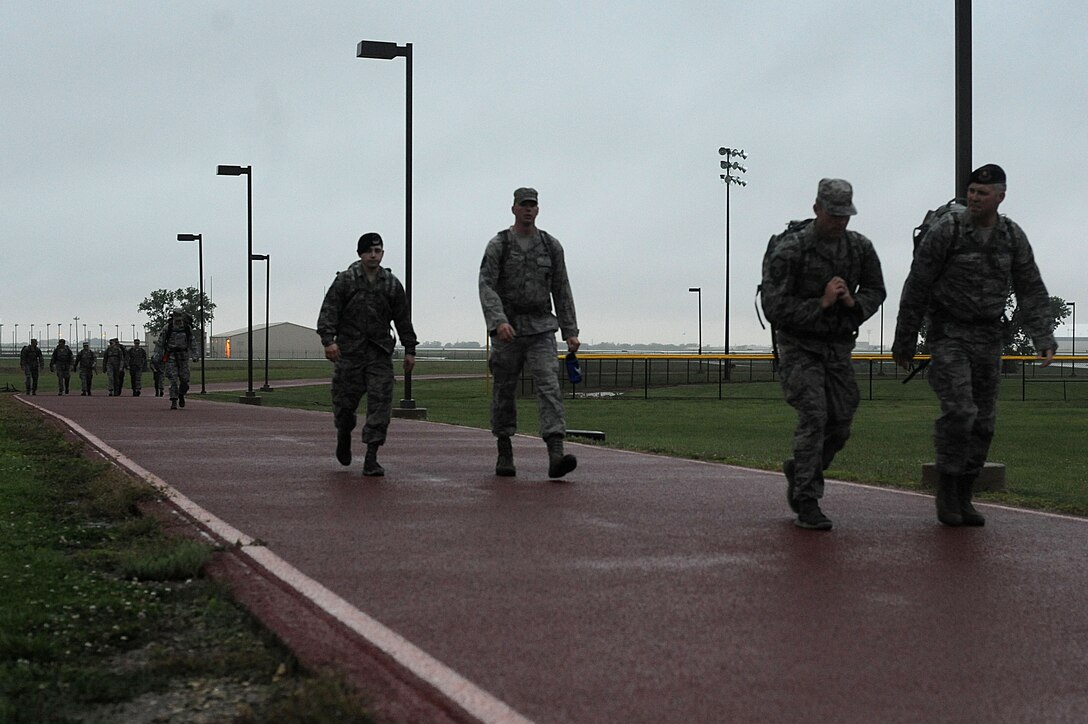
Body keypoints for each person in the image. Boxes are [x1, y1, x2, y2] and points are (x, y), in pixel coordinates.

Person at [893, 164, 1056, 527]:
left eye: (983, 193)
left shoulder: (1012, 236)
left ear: (1001, 195)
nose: (975, 198)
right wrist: (904, 340)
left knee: (984, 421)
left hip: (988, 337)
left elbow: (1030, 287)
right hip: (949, 334)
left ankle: (965, 492)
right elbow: (917, 285)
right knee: (961, 410)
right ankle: (947, 488)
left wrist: (1042, 336)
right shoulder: (946, 231)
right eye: (971, 192)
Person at [760, 178, 886, 530]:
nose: (839, 222)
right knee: (815, 415)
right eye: (833, 215)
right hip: (799, 347)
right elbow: (774, 307)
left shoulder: (859, 248)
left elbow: (877, 290)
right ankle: (807, 499)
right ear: (817, 209)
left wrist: (852, 302)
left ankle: (801, 469)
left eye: (845, 215)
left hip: (838, 348)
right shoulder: (791, 249)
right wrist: (822, 303)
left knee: (841, 422)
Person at [479, 187, 580, 479]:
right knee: (504, 391)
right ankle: (504, 449)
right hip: (508, 331)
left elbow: (562, 289)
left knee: (549, 386)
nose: (528, 210)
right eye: (523, 205)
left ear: (538, 210)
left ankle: (556, 454)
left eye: (533, 205)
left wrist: (570, 330)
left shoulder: (551, 246)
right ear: (513, 209)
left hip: (540, 328)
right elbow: (486, 285)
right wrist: (498, 321)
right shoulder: (500, 245)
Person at [317, 232, 418, 476]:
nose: (374, 255)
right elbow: (329, 311)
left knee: (380, 404)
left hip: (379, 354)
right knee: (343, 407)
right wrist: (328, 341)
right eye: (369, 251)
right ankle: (343, 434)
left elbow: (403, 319)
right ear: (360, 253)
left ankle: (372, 456)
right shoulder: (346, 281)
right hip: (349, 354)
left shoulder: (391, 284)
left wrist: (410, 349)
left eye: (378, 251)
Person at [157, 309, 194, 410]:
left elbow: (192, 341)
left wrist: (195, 354)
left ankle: (181, 394)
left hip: (183, 356)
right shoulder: (168, 328)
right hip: (171, 356)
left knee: (185, 380)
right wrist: (157, 355)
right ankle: (174, 400)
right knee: (173, 379)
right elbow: (160, 342)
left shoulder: (186, 328)